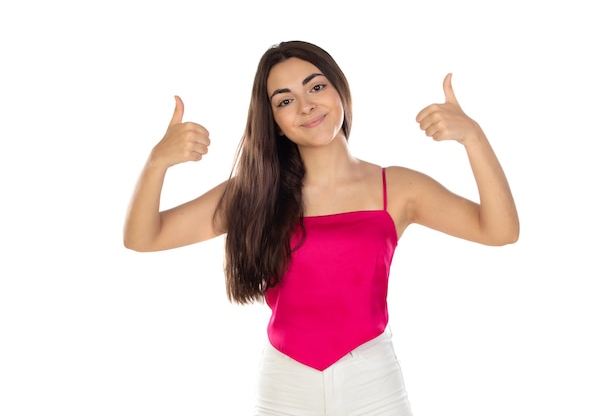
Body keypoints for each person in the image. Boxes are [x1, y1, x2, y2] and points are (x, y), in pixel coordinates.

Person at [123, 40, 519, 415]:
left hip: (373, 382)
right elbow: (143, 237)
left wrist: (473, 137)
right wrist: (158, 161)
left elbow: (500, 230)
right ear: (275, 122)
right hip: (285, 383)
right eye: (285, 100)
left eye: (316, 86)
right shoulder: (253, 193)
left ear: (340, 91)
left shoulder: (398, 188)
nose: (306, 106)